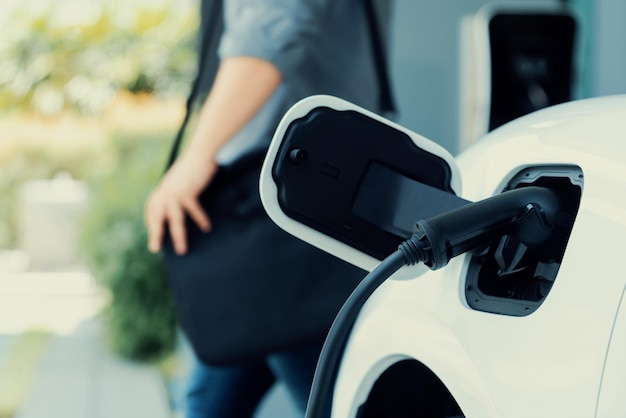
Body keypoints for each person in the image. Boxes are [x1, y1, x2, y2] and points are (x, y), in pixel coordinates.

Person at [144, 0, 393, 416]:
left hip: (283, 216)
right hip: (308, 212)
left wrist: (197, 155)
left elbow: (270, 32)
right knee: (208, 401)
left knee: (323, 400)